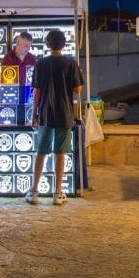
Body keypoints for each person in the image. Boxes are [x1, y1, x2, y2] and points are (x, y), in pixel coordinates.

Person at [27, 28, 84, 205]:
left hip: (45, 113)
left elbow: (36, 92)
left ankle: (34, 192)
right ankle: (57, 193)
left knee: (41, 152)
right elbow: (78, 89)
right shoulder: (71, 63)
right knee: (60, 153)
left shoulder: (40, 64)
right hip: (64, 113)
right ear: (64, 45)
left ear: (47, 44)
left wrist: (34, 114)